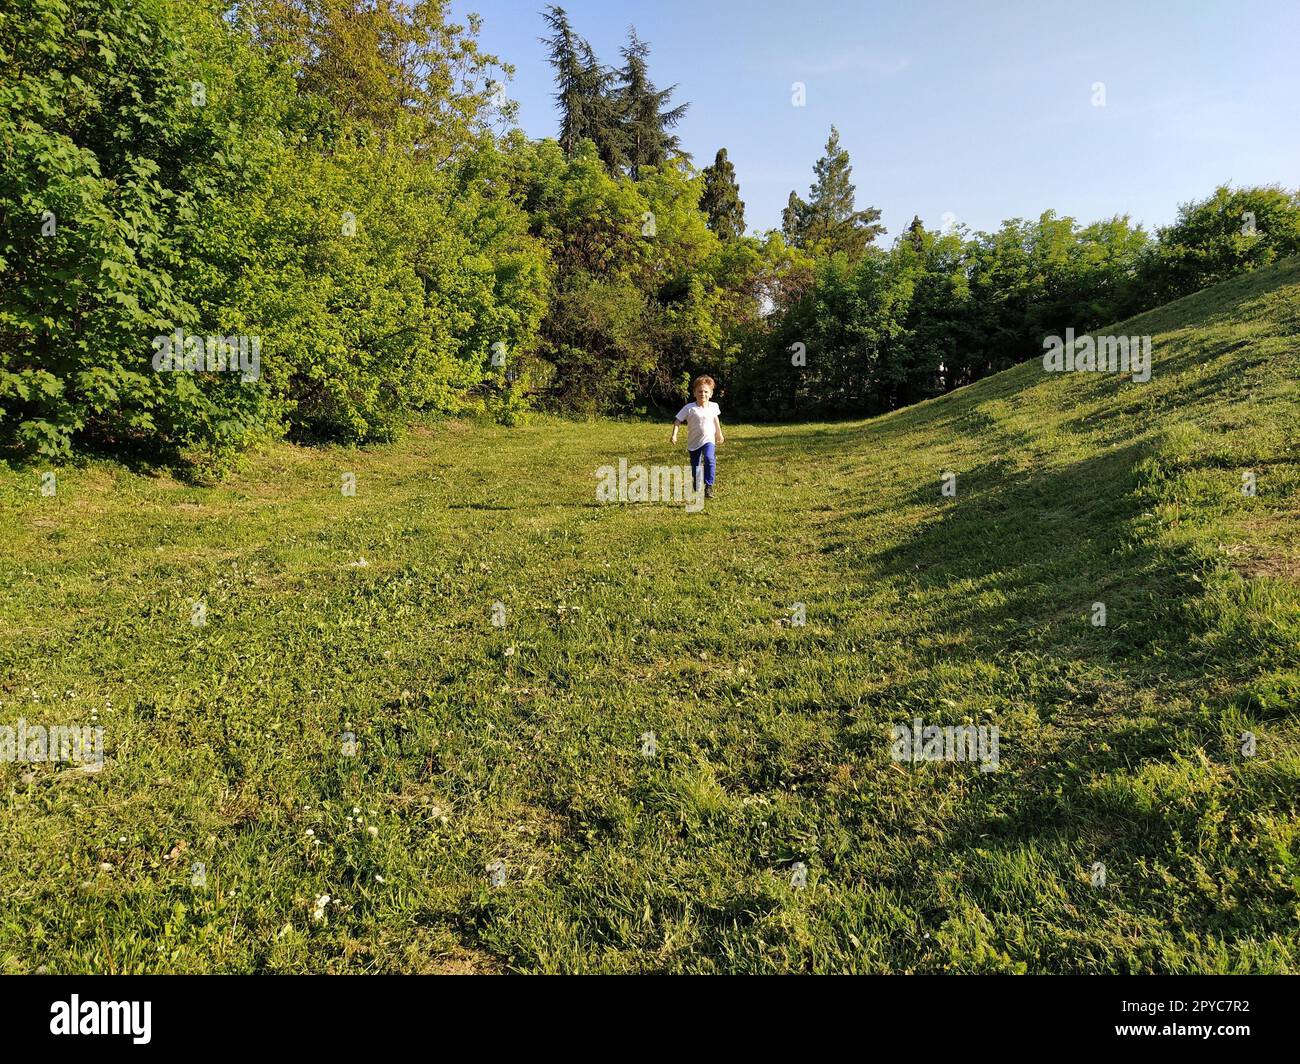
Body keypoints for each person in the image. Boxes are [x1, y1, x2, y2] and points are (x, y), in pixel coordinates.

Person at [671, 375, 724, 499]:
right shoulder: (689, 408)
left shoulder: (714, 406)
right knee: (696, 467)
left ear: (710, 394)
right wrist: (674, 435)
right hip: (694, 443)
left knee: (710, 459)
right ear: (694, 393)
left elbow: (715, 418)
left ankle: (709, 486)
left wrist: (719, 433)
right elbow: (677, 421)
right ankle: (696, 479)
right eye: (700, 391)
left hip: (708, 440)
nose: (703, 394)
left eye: (706, 391)